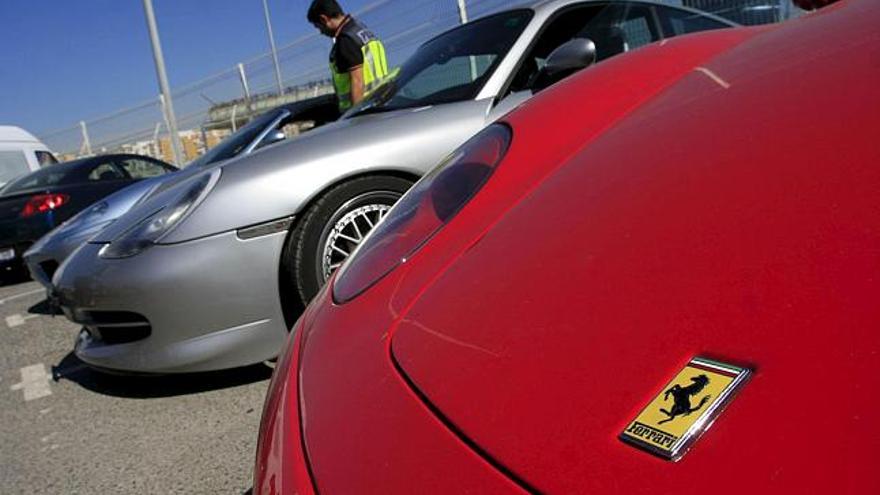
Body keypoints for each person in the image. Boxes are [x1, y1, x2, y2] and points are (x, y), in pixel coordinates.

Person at [307, 0, 389, 112]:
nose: (321, 32)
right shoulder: (360, 29)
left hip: (365, 111)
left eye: (319, 27)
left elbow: (357, 82)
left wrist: (355, 118)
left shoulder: (346, 41)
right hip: (381, 101)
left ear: (324, 19)